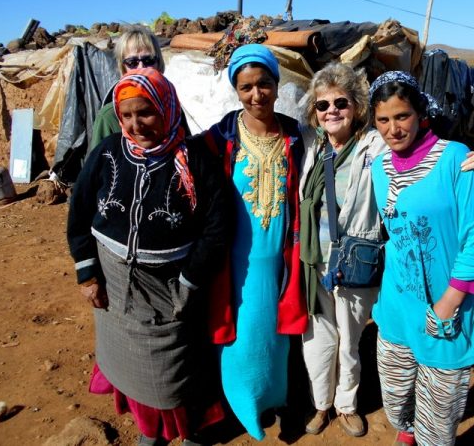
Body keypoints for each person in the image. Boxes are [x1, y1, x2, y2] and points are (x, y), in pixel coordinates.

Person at [67, 68, 228, 446]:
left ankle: (191, 430)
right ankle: (149, 431)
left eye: (146, 112)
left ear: (167, 108)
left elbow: (216, 228)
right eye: (127, 115)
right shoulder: (106, 153)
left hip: (170, 287)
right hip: (114, 287)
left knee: (177, 367)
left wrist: (190, 279)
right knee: (129, 364)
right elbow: (79, 212)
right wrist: (87, 273)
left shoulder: (196, 161)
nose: (136, 124)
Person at [368, 71, 474, 446]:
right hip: (395, 305)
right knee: (394, 402)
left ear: (420, 113)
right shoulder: (379, 167)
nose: (394, 129)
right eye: (383, 120)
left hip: (446, 309)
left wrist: (447, 305)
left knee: (438, 424)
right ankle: (407, 431)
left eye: (402, 116)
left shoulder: (458, 160)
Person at [191, 43, 308, 441]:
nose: (256, 95)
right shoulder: (217, 140)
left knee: (277, 340)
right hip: (234, 264)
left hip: (281, 261)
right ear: (235, 90)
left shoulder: (296, 136)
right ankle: (242, 408)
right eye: (246, 87)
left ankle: (274, 400)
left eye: (264, 84)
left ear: (277, 85)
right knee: (240, 338)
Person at [299, 62, 385, 437]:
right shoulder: (310, 146)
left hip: (354, 262)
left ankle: (346, 404)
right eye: (322, 104)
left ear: (357, 107)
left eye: (340, 102)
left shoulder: (375, 145)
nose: (331, 110)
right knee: (318, 339)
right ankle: (321, 404)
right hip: (313, 261)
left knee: (350, 341)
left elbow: (420, 150)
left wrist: (468, 157)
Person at [87, 24, 190, 159]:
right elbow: (97, 169)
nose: (141, 68)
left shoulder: (171, 108)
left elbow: (187, 150)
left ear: (159, 65)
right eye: (132, 62)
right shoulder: (109, 117)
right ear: (123, 69)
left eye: (148, 60)